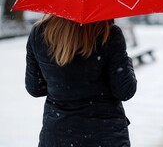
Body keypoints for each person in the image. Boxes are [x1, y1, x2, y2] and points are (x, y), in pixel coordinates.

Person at [25, 15, 137, 147]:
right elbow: (125, 91)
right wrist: (125, 60)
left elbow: (36, 88)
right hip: (105, 135)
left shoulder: (39, 33)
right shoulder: (108, 34)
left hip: (58, 135)